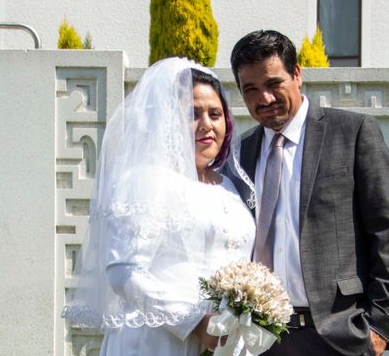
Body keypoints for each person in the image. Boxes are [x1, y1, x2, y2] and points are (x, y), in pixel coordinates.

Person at [227, 30, 389, 356]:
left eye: (273, 84)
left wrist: (380, 324)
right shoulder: (240, 153)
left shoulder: (352, 133)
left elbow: (388, 231)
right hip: (258, 339)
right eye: (250, 89)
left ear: (296, 75)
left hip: (337, 334)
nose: (263, 99)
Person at [62, 58, 255, 355]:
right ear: (168, 120)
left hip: (220, 342)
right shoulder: (145, 180)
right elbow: (124, 271)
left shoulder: (227, 186)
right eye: (193, 113)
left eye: (215, 114)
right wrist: (194, 322)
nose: (207, 124)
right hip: (156, 341)